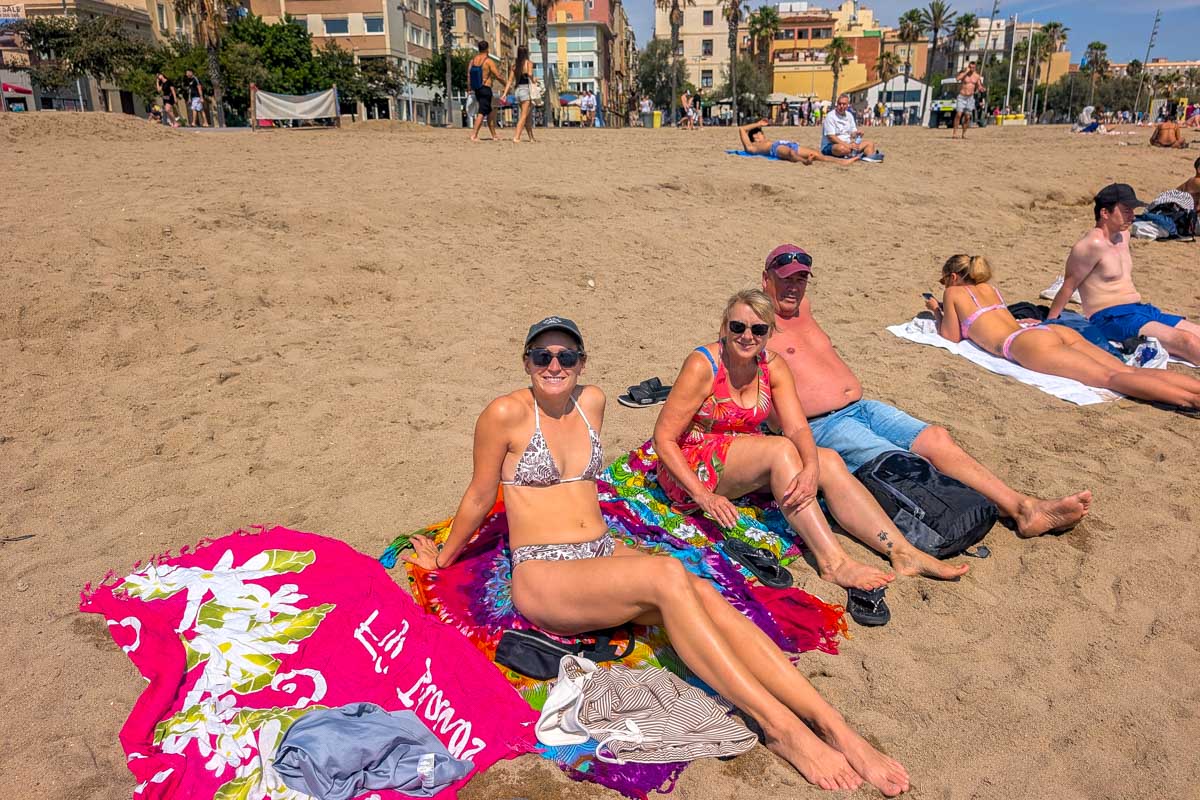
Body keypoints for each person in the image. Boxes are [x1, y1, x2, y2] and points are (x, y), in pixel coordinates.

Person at [404, 316, 911, 796]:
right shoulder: (505, 413)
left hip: (600, 556)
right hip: (546, 573)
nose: (554, 365)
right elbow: (477, 495)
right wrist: (443, 560)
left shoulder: (593, 402)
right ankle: (780, 728)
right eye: (542, 356)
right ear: (526, 361)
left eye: (566, 356)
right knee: (671, 574)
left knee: (704, 594)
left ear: (582, 362)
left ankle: (833, 724)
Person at [761, 243, 1092, 538]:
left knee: (936, 438)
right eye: (786, 279)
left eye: (801, 279)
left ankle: (1024, 508)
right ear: (766, 279)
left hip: (861, 407)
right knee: (896, 460)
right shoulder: (755, 320)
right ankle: (970, 513)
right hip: (819, 424)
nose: (794, 287)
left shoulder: (802, 307)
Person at [654, 290, 968, 586]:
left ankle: (902, 552)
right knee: (780, 451)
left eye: (758, 330)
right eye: (738, 326)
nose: (747, 336)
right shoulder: (704, 365)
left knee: (828, 460)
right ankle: (834, 564)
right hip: (690, 462)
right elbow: (664, 439)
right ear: (724, 326)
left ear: (769, 332)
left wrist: (812, 468)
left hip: (739, 453)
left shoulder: (771, 366)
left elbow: (798, 428)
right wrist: (704, 497)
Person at [929, 255, 1200, 410]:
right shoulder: (990, 288)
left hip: (1024, 343)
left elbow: (951, 336)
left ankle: (1192, 400)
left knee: (1112, 378)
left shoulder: (953, 292)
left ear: (953, 277)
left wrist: (937, 311)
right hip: (1047, 330)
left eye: (944, 279)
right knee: (1127, 370)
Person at [1050, 183, 1200, 364]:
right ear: (1105, 213)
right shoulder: (1091, 245)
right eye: (1126, 210)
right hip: (1111, 318)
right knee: (1187, 341)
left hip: (1141, 310)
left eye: (1132, 210)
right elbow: (1068, 286)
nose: (1132, 215)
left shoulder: (1124, 236)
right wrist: (1050, 323)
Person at [738, 118, 859, 165]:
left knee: (817, 154)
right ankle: (804, 161)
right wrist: (758, 124)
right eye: (757, 134)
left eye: (761, 133)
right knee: (790, 153)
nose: (760, 135)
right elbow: (742, 129)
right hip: (774, 149)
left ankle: (842, 161)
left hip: (786, 143)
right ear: (753, 138)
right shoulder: (751, 147)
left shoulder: (765, 139)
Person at [821, 95, 880, 161]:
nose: (841, 106)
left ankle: (868, 157)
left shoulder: (849, 115)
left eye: (844, 104)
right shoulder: (830, 116)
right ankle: (856, 154)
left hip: (848, 145)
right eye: (839, 104)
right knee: (842, 148)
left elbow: (852, 133)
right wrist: (847, 145)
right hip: (832, 145)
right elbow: (831, 137)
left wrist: (857, 133)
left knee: (870, 143)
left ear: (847, 105)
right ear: (837, 104)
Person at [468, 41, 503, 141]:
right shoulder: (488, 61)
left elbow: (469, 75)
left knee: (490, 112)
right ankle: (474, 135)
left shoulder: (473, 61)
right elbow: (497, 75)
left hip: (477, 88)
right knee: (482, 112)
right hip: (485, 88)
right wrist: (505, 83)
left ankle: (494, 135)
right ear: (487, 49)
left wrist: (469, 88)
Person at [501, 46, 536, 144]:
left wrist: (504, 94)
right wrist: (534, 80)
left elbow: (510, 81)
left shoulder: (515, 65)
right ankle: (516, 136)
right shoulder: (528, 63)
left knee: (527, 116)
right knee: (524, 116)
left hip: (518, 91)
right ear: (526, 53)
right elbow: (529, 74)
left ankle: (531, 138)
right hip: (526, 90)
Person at [951, 62, 984, 139]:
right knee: (958, 114)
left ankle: (964, 134)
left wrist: (981, 88)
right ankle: (955, 133)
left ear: (975, 68)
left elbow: (979, 86)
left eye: (973, 67)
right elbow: (957, 78)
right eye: (970, 67)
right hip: (962, 97)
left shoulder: (977, 76)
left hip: (970, 98)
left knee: (967, 117)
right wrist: (965, 72)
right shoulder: (964, 74)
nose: (971, 69)